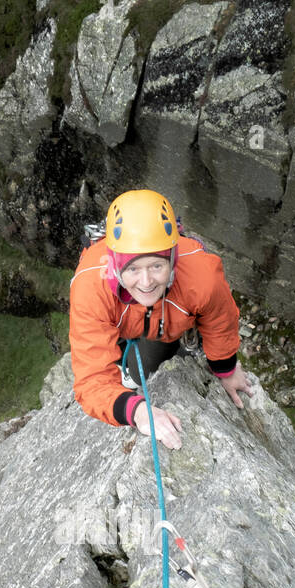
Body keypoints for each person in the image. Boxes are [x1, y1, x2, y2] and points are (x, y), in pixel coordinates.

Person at [69, 188, 252, 450]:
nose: (145, 283)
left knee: (165, 345)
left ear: (173, 259)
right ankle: (130, 367)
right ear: (115, 265)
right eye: (132, 268)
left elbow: (219, 321)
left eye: (157, 266)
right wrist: (137, 412)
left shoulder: (201, 276)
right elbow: (92, 379)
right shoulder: (90, 289)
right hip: (120, 322)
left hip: (169, 321)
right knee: (136, 362)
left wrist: (226, 369)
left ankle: (169, 346)